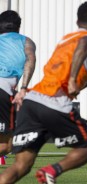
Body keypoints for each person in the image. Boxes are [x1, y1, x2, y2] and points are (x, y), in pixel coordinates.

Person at [0, 1, 87, 183]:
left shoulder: (65, 40)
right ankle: (52, 171)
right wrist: (72, 79)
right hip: (54, 102)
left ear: (77, 21)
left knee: (20, 166)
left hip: (32, 102)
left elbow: (79, 84)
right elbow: (85, 43)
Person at [0, 10, 36, 162]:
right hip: (3, 90)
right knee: (7, 146)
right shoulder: (26, 42)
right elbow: (30, 61)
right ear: (18, 27)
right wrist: (23, 88)